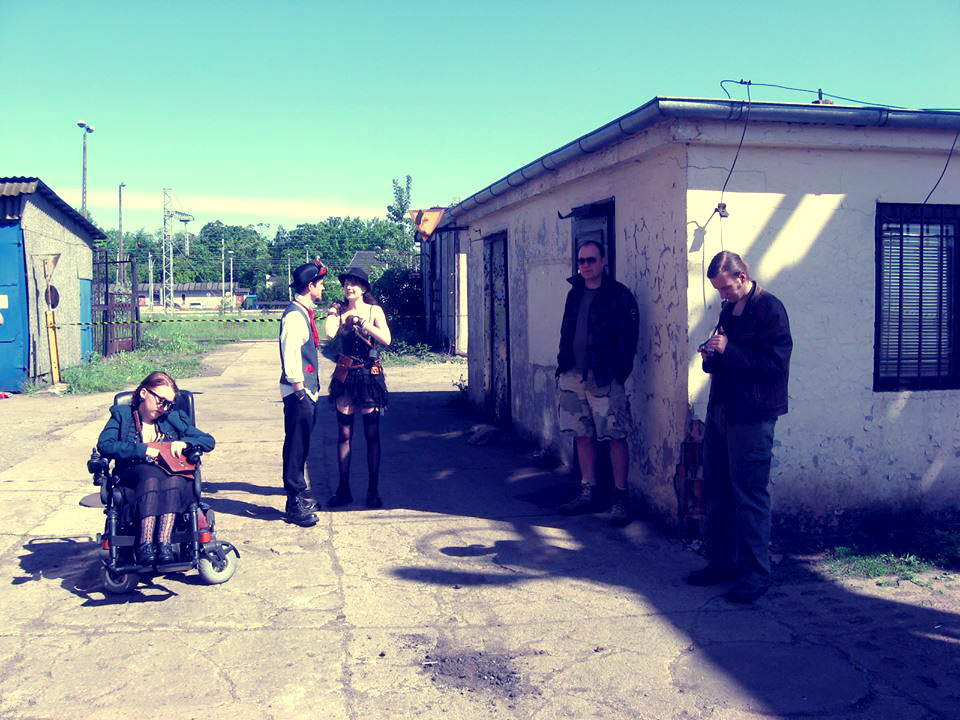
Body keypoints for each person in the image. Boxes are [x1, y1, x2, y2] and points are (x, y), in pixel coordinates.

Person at [688, 250, 792, 603]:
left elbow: (775, 364)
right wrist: (710, 356)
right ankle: (721, 563)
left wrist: (729, 349)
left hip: (752, 415)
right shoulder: (728, 309)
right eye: (718, 289)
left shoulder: (770, 309)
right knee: (717, 490)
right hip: (721, 409)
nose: (722, 294)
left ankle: (754, 575)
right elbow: (724, 360)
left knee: (749, 495)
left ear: (742, 277)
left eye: (726, 287)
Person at [555, 240, 640, 527]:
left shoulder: (620, 296)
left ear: (603, 261)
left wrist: (617, 374)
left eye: (591, 260)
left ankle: (620, 498)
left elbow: (629, 338)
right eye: (581, 261)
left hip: (605, 377)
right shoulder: (574, 294)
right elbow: (566, 331)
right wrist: (563, 363)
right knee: (582, 434)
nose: (585, 265)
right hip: (573, 375)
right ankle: (588, 491)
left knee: (615, 435)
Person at [97, 371, 215, 566]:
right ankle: (145, 544)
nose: (164, 408)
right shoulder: (122, 415)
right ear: (144, 393)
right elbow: (105, 445)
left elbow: (208, 440)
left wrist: (185, 443)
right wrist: (142, 450)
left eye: (168, 404)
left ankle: (164, 543)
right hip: (134, 480)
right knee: (150, 475)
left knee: (174, 479)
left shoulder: (173, 418)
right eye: (161, 401)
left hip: (173, 479)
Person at [324, 267, 392, 508]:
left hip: (369, 376)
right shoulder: (340, 311)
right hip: (345, 376)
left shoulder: (374, 310)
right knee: (344, 434)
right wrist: (334, 311)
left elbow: (386, 339)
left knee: (372, 434)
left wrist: (364, 323)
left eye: (354, 283)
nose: (349, 287)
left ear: (363, 288)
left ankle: (373, 490)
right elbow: (329, 333)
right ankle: (343, 489)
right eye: (346, 284)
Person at [279, 259, 328, 527]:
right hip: (299, 392)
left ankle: (299, 496)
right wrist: (300, 391)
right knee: (296, 446)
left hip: (306, 390)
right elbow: (290, 356)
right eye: (321, 284)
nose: (323, 288)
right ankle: (294, 502)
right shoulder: (295, 316)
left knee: (302, 445)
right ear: (310, 286)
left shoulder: (303, 312)